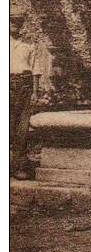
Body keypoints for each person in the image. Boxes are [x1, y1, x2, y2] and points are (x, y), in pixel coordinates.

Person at [10, 11, 41, 180]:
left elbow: (35, 69)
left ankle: (18, 166)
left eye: (18, 23)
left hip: (25, 84)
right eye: (12, 22)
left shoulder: (28, 44)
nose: (15, 26)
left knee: (22, 126)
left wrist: (35, 91)